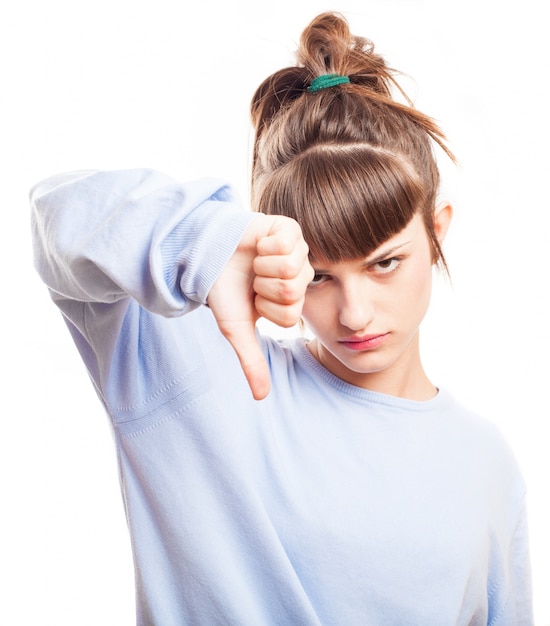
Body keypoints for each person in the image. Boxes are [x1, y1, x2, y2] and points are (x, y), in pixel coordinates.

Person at [30, 11, 533, 626]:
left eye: (385, 263)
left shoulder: (486, 463)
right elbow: (58, 215)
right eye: (320, 274)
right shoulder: (197, 374)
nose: (354, 312)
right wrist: (204, 241)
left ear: (437, 232)